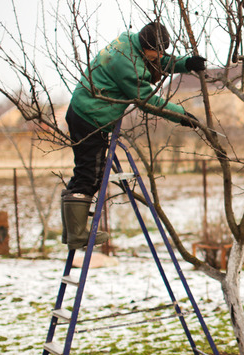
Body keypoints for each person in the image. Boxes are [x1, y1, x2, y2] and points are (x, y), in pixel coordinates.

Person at [62, 21, 207, 249]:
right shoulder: (126, 65)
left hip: (85, 111)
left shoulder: (132, 43)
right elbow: (147, 100)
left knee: (85, 170)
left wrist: (185, 63)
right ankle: (77, 234)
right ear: (146, 45)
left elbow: (154, 63)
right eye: (157, 52)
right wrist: (181, 115)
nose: (160, 56)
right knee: (90, 174)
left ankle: (71, 231)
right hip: (90, 117)